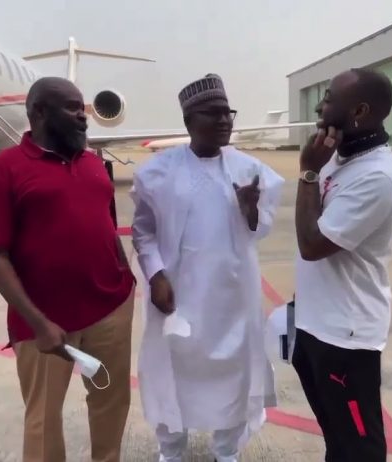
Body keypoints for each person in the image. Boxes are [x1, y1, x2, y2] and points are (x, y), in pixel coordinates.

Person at [0, 77, 135, 462]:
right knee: (43, 420)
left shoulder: (93, 164)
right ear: (40, 112)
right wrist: (38, 322)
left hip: (110, 308)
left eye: (83, 107)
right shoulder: (1, 170)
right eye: (72, 108)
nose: (83, 116)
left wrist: (126, 278)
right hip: (44, 322)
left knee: (111, 403)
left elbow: (107, 224)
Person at [132, 73, 283, 462]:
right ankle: (171, 451)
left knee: (235, 375)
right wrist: (155, 274)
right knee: (170, 371)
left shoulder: (249, 169)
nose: (224, 121)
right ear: (188, 121)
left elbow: (261, 229)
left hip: (232, 300)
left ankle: (226, 451)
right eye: (213, 113)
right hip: (174, 296)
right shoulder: (158, 172)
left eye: (227, 113)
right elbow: (143, 232)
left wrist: (250, 211)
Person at [292, 68, 392, 462]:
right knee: (338, 442)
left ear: (359, 111)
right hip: (314, 328)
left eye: (328, 98)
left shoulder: (377, 177)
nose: (320, 107)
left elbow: (312, 244)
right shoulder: (338, 158)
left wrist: (308, 172)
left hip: (346, 340)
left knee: (359, 450)